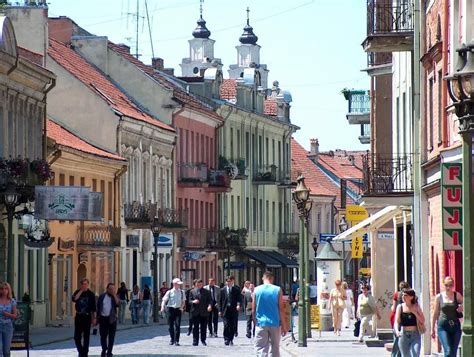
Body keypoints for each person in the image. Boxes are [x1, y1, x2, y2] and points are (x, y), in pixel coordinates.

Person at [252, 271, 289, 357]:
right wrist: (284, 325)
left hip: (261, 323)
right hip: (275, 323)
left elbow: (253, 310)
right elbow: (281, 309)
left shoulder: (256, 290)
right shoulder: (277, 289)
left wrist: (255, 323)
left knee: (261, 348)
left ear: (263, 278)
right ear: (272, 279)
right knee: (275, 348)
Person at [431, 276, 463, 357]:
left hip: (455, 326)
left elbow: (467, 303)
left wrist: (462, 306)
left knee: (453, 352)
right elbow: (435, 313)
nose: (448, 287)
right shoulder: (439, 297)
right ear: (443, 285)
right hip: (443, 326)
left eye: (450, 285)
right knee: (448, 351)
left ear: (453, 285)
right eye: (446, 285)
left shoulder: (457, 295)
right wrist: (432, 329)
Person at [394, 289, 425, 357]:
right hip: (403, 335)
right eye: (402, 295)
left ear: (411, 297)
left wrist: (415, 313)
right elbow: (396, 321)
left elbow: (422, 320)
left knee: (415, 354)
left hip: (415, 334)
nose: (403, 297)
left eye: (405, 295)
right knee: (405, 355)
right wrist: (397, 331)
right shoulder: (400, 307)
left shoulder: (416, 306)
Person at [72, 278, 97, 357]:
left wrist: (94, 318)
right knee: (76, 337)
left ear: (88, 284)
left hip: (87, 317)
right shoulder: (77, 292)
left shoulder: (91, 294)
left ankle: (84, 354)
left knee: (86, 337)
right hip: (79, 316)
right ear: (81, 285)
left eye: (86, 284)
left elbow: (94, 307)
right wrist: (81, 291)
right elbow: (74, 299)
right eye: (83, 284)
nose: (84, 286)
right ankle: (81, 351)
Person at [161, 278, 186, 346]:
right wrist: (162, 307)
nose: (179, 285)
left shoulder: (182, 292)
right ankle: (172, 339)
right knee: (170, 326)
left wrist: (181, 307)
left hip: (178, 310)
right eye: (178, 284)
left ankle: (177, 340)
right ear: (174, 284)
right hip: (170, 309)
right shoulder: (169, 292)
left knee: (177, 326)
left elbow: (183, 301)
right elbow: (164, 300)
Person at [97, 283, 119, 357]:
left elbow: (118, 303)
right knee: (103, 335)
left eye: (113, 289)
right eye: (110, 289)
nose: (112, 290)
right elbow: (98, 307)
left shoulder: (114, 297)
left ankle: (109, 352)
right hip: (103, 319)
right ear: (107, 289)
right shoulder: (102, 296)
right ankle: (104, 349)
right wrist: (96, 318)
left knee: (111, 337)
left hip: (112, 319)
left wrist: (114, 295)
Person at [219, 275, 242, 346]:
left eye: (230, 281)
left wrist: (238, 305)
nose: (228, 282)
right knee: (226, 325)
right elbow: (219, 301)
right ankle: (226, 338)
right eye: (227, 281)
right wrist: (219, 310)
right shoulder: (222, 290)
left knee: (232, 325)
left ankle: (231, 339)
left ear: (232, 281)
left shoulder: (236, 289)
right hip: (225, 310)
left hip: (233, 310)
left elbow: (239, 299)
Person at [189, 279, 212, 346]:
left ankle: (203, 340)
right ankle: (195, 341)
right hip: (195, 312)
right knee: (195, 327)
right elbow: (189, 301)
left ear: (202, 285)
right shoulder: (192, 291)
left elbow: (210, 300)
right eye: (197, 285)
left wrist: (209, 306)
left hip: (204, 312)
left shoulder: (206, 291)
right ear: (195, 285)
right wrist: (193, 301)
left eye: (200, 285)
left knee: (203, 327)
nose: (199, 286)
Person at [0, 282, 17, 357]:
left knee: (6, 350)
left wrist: (7, 314)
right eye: (2, 289)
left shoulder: (12, 301)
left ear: (9, 290)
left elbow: (15, 315)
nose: (4, 291)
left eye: (6, 289)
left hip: (8, 326)